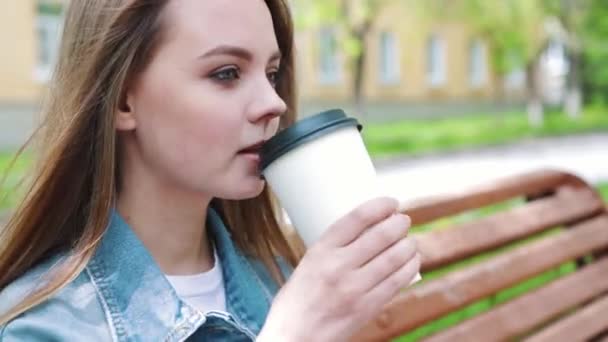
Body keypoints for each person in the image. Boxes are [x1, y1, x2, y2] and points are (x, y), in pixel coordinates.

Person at [0, 0, 420, 340]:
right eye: (226, 73)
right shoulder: (48, 328)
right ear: (122, 101)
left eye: (271, 73)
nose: (273, 103)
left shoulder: (279, 277)